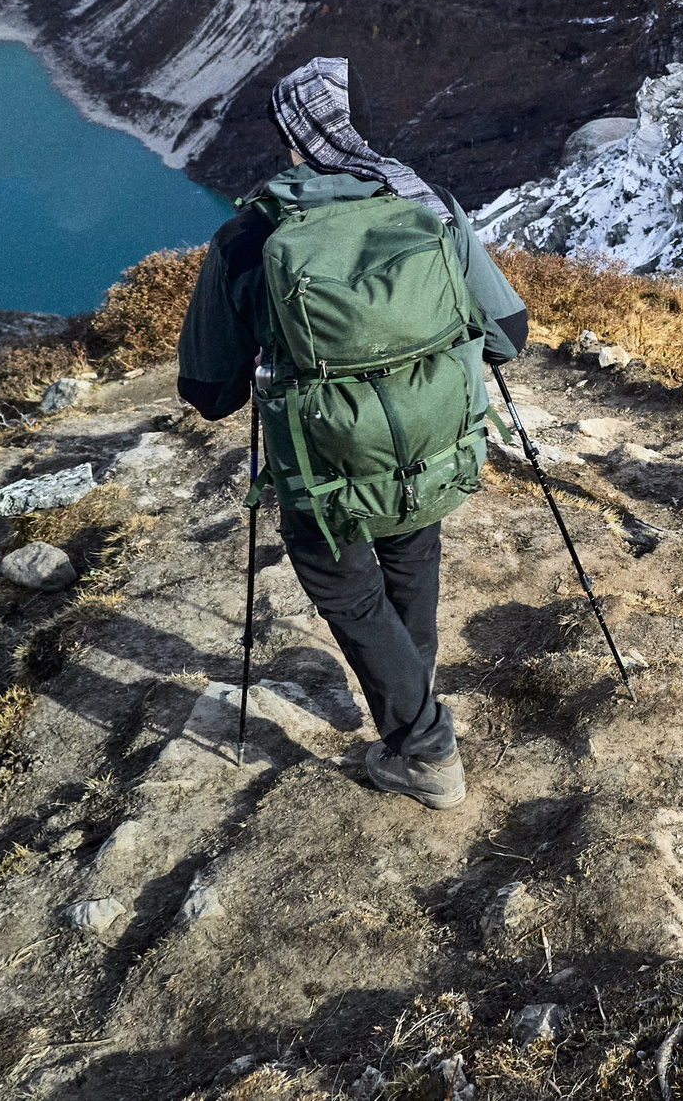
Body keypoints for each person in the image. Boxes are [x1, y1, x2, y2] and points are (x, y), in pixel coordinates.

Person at [177, 58, 528, 810]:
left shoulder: (249, 235)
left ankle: (426, 746)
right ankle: (416, 706)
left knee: (346, 583)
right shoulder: (425, 204)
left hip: (323, 470)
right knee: (410, 546)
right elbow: (510, 334)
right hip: (429, 450)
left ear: (292, 137)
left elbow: (208, 392)